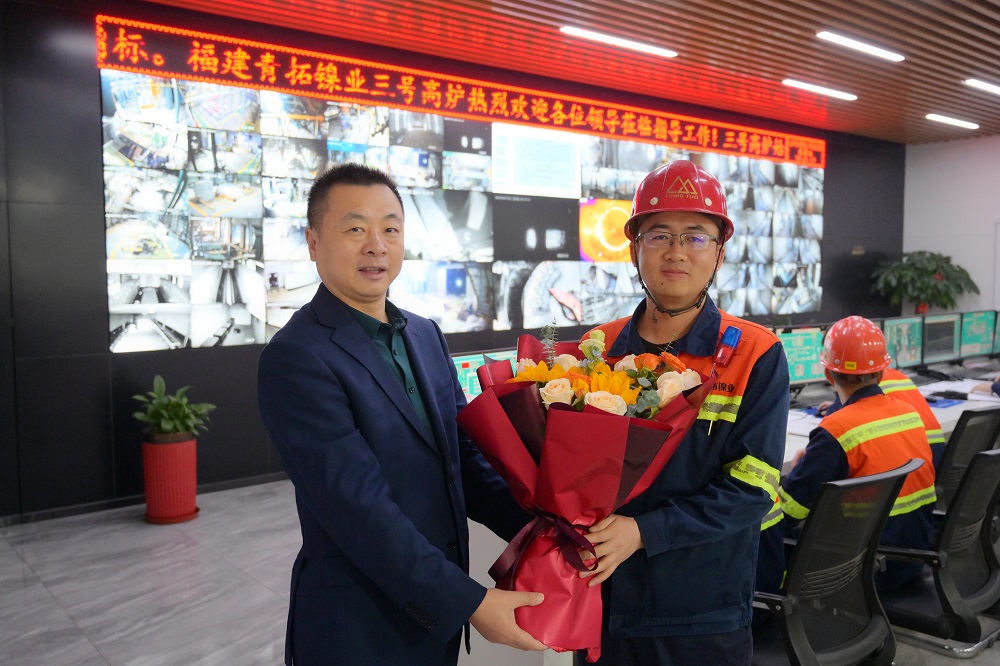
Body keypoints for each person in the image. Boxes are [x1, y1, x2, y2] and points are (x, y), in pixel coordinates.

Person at [257, 163, 545, 665]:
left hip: (431, 621)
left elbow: (465, 463)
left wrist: (549, 527)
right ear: (313, 242)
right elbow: (359, 511)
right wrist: (470, 603)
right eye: (355, 229)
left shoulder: (424, 334)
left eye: (390, 229)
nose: (376, 245)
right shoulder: (297, 357)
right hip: (359, 627)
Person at [579, 160, 789, 665]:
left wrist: (643, 532)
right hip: (602, 600)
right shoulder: (596, 347)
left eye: (695, 236)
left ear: (719, 253)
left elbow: (752, 490)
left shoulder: (755, 353)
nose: (676, 252)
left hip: (699, 614)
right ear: (634, 248)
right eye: (658, 235)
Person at [773, 316, 937, 592]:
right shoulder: (909, 415)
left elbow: (789, 511)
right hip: (911, 560)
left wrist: (797, 473)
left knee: (765, 539)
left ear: (829, 375)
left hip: (855, 572)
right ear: (882, 373)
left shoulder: (837, 431)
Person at [817, 366, 947, 467]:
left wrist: (837, 404)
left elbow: (831, 428)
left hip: (916, 455)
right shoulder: (898, 375)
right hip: (929, 449)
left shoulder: (855, 381)